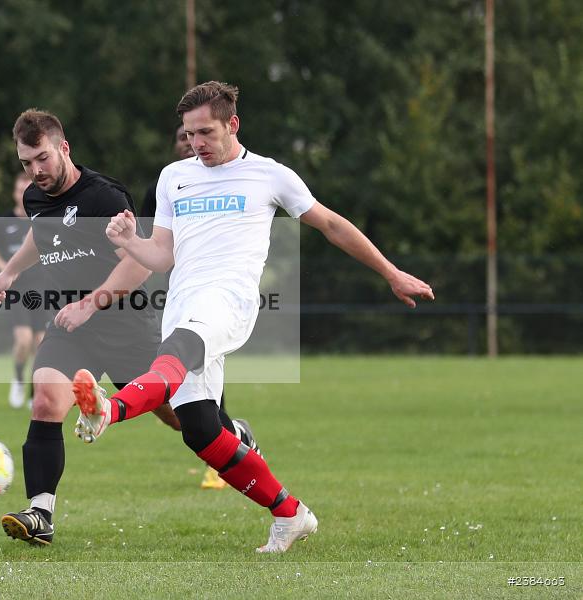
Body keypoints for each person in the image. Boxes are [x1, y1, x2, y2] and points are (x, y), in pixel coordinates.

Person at [72, 81, 435, 553]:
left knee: (175, 353)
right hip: (182, 304)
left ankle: (110, 410)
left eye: (206, 132)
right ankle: (291, 514)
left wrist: (391, 273)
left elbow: (330, 224)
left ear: (232, 124)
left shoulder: (269, 175)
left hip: (228, 301)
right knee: (202, 432)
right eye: (189, 134)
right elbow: (161, 256)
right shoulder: (171, 177)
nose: (196, 143)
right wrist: (127, 241)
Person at [0, 109, 258, 546]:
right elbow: (43, 235)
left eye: (42, 158)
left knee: (182, 420)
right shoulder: (36, 198)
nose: (35, 171)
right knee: (46, 403)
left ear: (63, 148)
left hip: (128, 328)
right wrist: (11, 272)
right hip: (71, 328)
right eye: (25, 163)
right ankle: (41, 514)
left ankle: (236, 433)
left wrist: (90, 304)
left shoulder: (104, 197)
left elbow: (138, 265)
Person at [141, 123, 231, 491]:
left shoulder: (229, 182)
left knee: (203, 369)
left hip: (213, 296)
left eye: (196, 135)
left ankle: (225, 451)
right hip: (172, 294)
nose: (189, 143)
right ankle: (230, 436)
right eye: (182, 138)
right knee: (186, 397)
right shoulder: (164, 186)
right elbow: (149, 244)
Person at [0, 171, 47, 408]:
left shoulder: (41, 220)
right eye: (19, 190)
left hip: (41, 289)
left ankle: (35, 392)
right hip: (16, 290)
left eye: (27, 190)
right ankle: (19, 379)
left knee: (41, 343)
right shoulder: (3, 221)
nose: (23, 194)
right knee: (23, 340)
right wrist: (8, 271)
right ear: (14, 192)